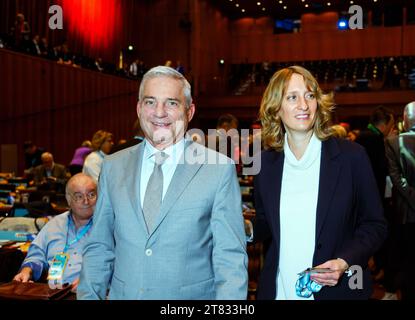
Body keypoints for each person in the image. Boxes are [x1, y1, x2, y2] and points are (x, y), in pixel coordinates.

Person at [77, 66, 248, 300]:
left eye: (172, 103)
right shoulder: (113, 167)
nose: (159, 112)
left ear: (189, 112)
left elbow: (230, 259)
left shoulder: (218, 170)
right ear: (139, 109)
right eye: (150, 102)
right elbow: (99, 247)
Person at [251, 65, 387, 300]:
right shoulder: (265, 164)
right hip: (280, 291)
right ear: (276, 108)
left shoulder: (352, 157)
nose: (303, 105)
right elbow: (266, 222)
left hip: (338, 292)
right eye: (292, 97)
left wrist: (344, 261)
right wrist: (247, 228)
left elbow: (375, 225)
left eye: (309, 96)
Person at [13, 173, 97, 293]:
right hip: (54, 292)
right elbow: (37, 253)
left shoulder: (109, 227)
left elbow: (120, 265)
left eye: (91, 194)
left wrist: (93, 279)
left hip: (92, 294)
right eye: (78, 196)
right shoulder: (54, 224)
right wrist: (26, 270)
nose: (86, 201)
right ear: (68, 200)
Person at [385, 101, 415, 300]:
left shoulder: (393, 142)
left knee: (408, 261)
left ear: (405, 119)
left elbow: (396, 180)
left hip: (407, 213)